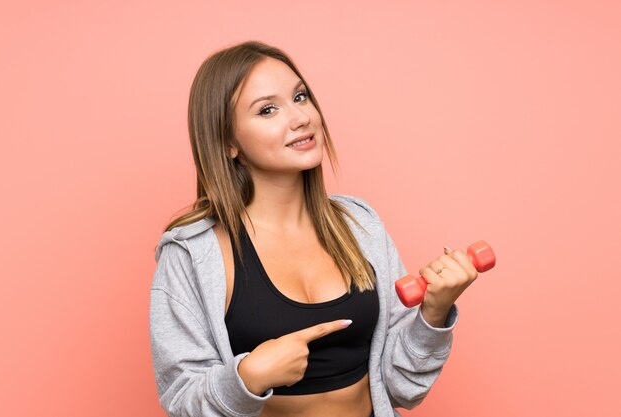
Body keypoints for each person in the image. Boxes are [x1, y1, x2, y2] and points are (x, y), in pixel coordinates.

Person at [149, 40, 478, 417]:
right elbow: (181, 401)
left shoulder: (359, 226)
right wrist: (248, 377)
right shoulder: (191, 254)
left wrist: (433, 315)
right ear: (228, 143)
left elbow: (401, 388)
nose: (301, 117)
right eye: (268, 109)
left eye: (301, 97)